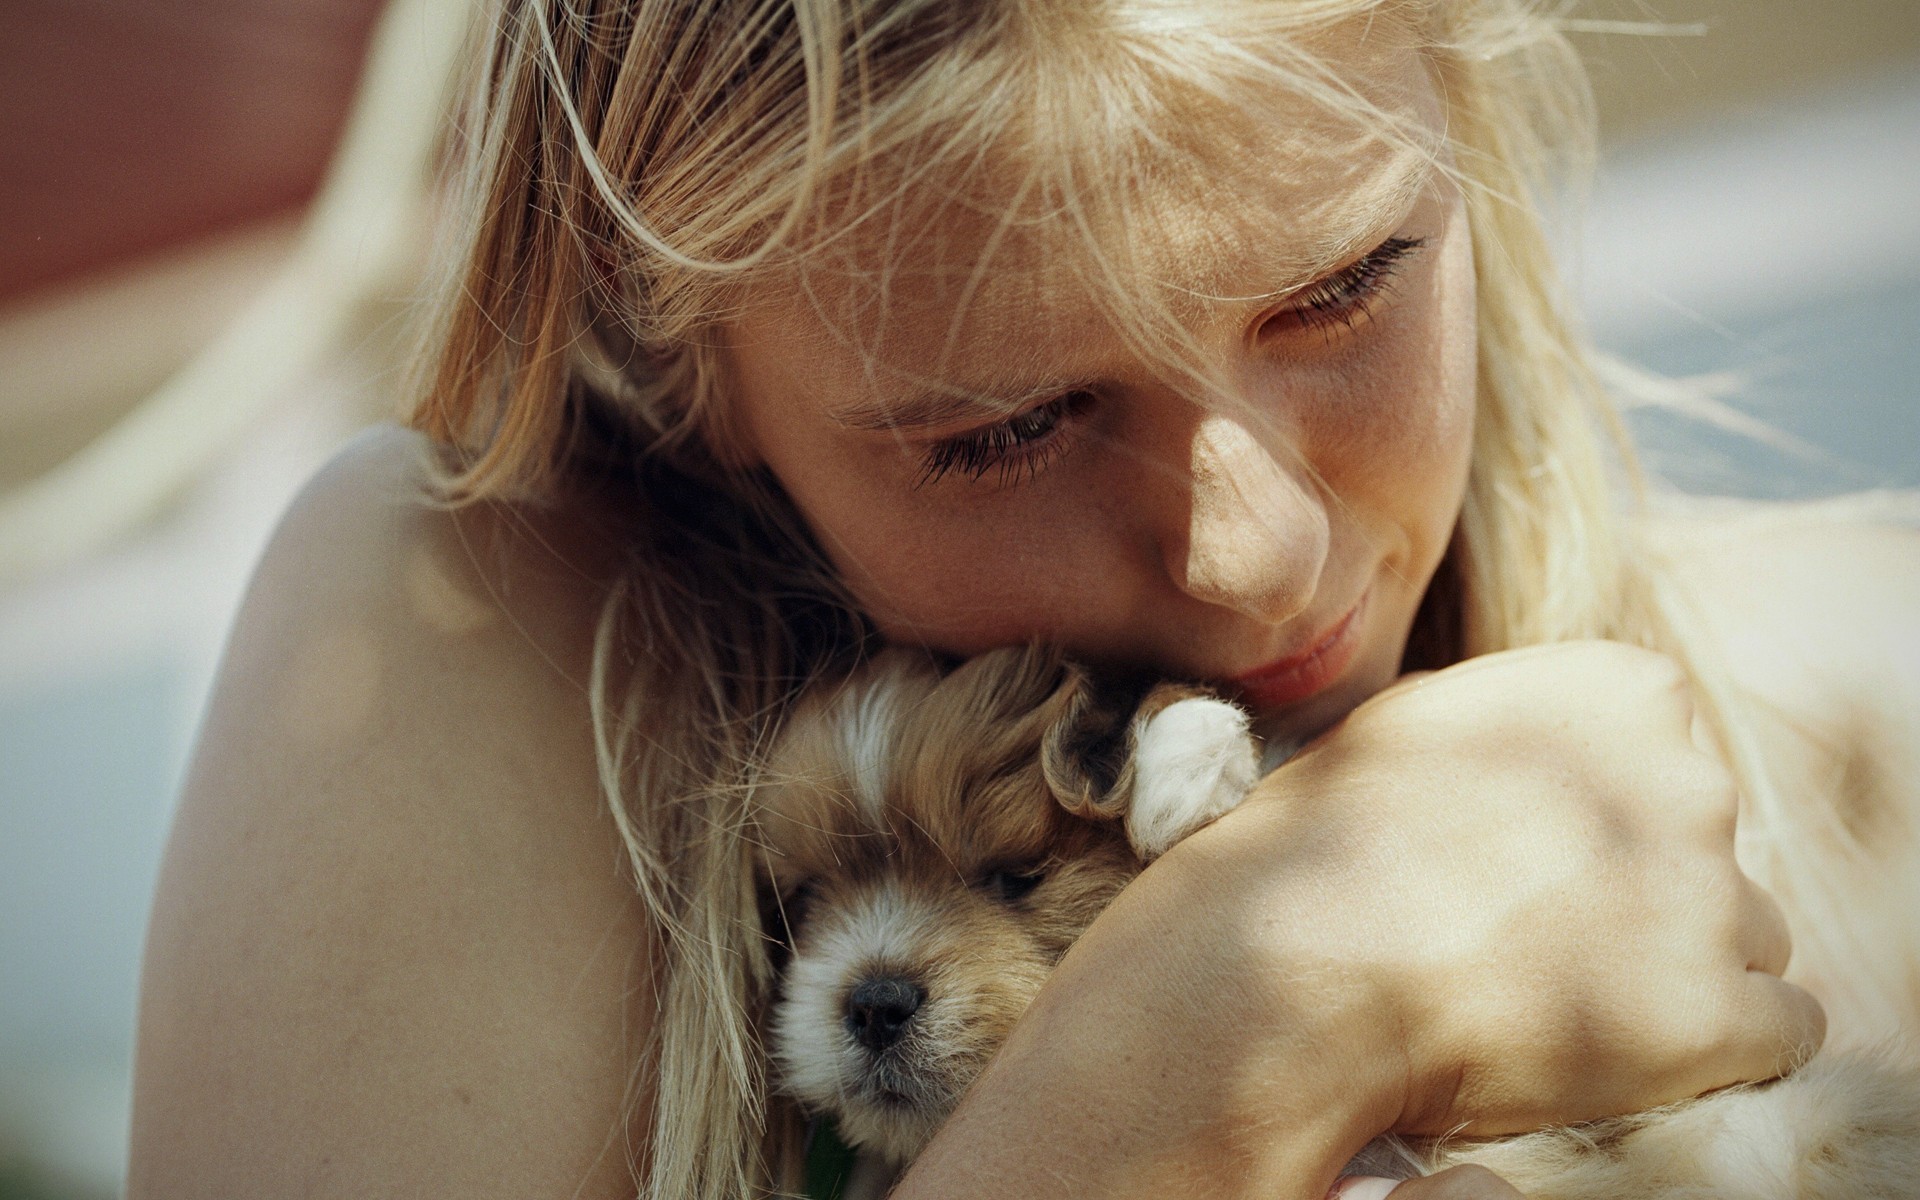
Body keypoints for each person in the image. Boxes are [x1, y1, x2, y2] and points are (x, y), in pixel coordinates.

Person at [127, 1, 1918, 1197]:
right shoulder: (459, 624)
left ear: (1456, 86)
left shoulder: (1870, 708)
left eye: (1349, 284)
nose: (1262, 553)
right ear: (699, 386)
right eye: (1001, 432)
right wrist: (1221, 1038)